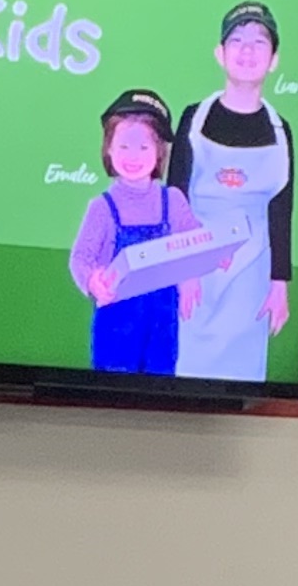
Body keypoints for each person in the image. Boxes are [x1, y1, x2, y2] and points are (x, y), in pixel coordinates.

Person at [170, 3, 294, 385]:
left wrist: (279, 287)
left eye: (259, 42)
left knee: (242, 370)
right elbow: (175, 197)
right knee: (187, 365)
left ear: (273, 60)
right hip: (197, 262)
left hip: (252, 270)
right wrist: (183, 272)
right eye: (236, 40)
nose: (246, 50)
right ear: (220, 54)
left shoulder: (280, 130)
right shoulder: (194, 118)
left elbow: (281, 209)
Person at [66, 86, 200, 382]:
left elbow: (195, 243)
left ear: (159, 153)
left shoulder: (173, 201)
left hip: (162, 328)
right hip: (116, 327)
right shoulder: (102, 207)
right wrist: (92, 280)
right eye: (124, 146)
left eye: (144, 147)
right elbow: (80, 257)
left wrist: (193, 275)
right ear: (109, 149)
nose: (133, 156)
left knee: (160, 390)